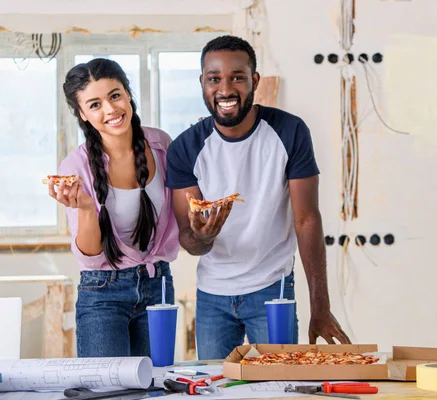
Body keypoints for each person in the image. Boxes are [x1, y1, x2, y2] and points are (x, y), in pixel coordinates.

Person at [165, 35, 350, 360]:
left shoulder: (290, 132)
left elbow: (307, 220)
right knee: (215, 388)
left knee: (278, 386)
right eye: (214, 79)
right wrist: (202, 236)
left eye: (237, 77)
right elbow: (189, 240)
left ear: (254, 81)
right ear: (202, 83)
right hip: (212, 295)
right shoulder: (185, 148)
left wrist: (321, 306)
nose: (225, 89)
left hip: (273, 289)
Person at [49, 58, 180, 357]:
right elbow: (92, 257)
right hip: (102, 291)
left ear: (128, 94)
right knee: (105, 389)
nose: (110, 110)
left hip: (158, 284)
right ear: (82, 114)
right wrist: (85, 208)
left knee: (155, 385)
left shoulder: (161, 145)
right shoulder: (75, 166)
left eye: (115, 95)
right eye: (94, 104)